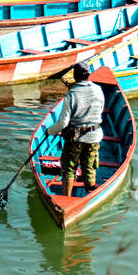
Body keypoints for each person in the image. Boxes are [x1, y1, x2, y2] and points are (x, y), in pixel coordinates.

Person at [47, 60, 104, 196]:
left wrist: (49, 131)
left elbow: (63, 123)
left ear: (75, 76)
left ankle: (66, 198)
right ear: (88, 75)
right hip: (94, 136)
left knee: (68, 169)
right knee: (90, 167)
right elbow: (100, 110)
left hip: (75, 139)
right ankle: (90, 194)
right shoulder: (98, 89)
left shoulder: (71, 94)